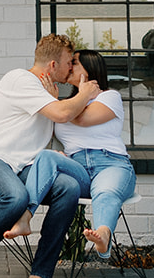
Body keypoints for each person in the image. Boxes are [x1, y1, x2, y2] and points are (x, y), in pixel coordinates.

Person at [0, 34, 102, 278]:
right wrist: (84, 94)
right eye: (70, 63)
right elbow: (62, 114)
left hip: (21, 168)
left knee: (67, 188)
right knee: (15, 197)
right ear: (53, 64)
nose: (72, 68)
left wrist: (58, 102)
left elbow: (58, 121)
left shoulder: (48, 95)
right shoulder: (19, 80)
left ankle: (39, 274)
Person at [54, 49, 138, 259]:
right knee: (46, 161)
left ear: (90, 69)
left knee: (106, 191)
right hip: (77, 168)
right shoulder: (64, 105)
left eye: (74, 62)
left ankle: (102, 235)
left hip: (111, 164)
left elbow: (82, 119)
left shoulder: (110, 97)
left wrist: (56, 103)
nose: (69, 65)